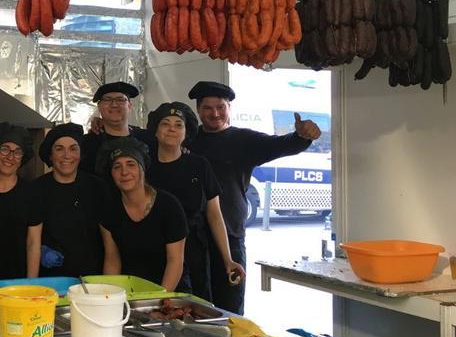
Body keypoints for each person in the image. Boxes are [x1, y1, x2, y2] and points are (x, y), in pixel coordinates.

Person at [186, 81, 322, 314]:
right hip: (190, 236)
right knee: (193, 306)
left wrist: (301, 137)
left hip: (231, 234)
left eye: (220, 107)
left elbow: (279, 145)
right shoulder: (187, 139)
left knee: (230, 307)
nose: (215, 113)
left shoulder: (243, 140)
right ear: (198, 111)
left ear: (229, 108)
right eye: (207, 108)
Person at [145, 102, 245, 302]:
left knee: (196, 311)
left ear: (186, 133)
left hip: (194, 253)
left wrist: (228, 259)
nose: (172, 128)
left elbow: (214, 214)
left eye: (178, 125)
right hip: (154, 252)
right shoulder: (144, 166)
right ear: (156, 130)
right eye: (165, 124)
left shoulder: (199, 165)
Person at [97, 137, 188, 291]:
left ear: (142, 169)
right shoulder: (108, 210)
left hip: (169, 293)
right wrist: (109, 296)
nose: (124, 172)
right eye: (117, 167)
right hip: (130, 292)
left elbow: (175, 261)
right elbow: (112, 259)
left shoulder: (169, 206)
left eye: (131, 164)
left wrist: (159, 301)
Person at [34, 123, 108, 278]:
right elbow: (27, 238)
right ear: (50, 155)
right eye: (59, 149)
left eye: (73, 148)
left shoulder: (97, 188)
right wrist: (40, 250)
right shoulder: (36, 189)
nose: (66, 155)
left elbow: (109, 242)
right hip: (51, 281)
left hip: (92, 279)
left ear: (81, 154)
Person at [0, 122, 42, 282]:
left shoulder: (32, 194)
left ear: (22, 158)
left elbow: (33, 243)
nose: (10, 157)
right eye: (4, 149)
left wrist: (30, 285)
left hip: (18, 280)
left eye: (17, 152)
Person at [80, 81, 152, 175]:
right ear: (99, 107)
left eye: (120, 99)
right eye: (107, 99)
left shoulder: (147, 139)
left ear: (129, 106)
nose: (114, 105)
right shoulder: (86, 144)